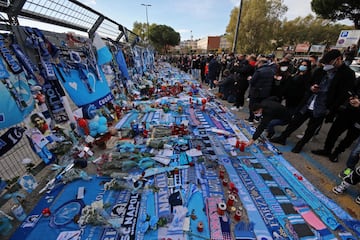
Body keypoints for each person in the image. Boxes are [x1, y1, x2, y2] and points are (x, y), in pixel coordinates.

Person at [270, 49, 355, 153]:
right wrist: (312, 87)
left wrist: (331, 109)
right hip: (309, 101)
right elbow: (310, 82)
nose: (326, 65)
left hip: (323, 106)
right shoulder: (321, 70)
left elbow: (344, 94)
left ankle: (300, 145)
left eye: (329, 63)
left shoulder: (348, 74)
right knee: (295, 121)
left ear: (338, 59)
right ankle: (283, 137)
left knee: (311, 128)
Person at [311, 91, 360, 162]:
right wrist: (351, 97)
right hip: (348, 111)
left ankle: (337, 153)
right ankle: (327, 150)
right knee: (333, 132)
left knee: (349, 138)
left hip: (358, 120)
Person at [246, 58, 276, 124]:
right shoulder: (271, 71)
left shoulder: (259, 71)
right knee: (261, 106)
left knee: (252, 105)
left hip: (256, 92)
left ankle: (251, 118)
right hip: (266, 92)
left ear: (261, 63)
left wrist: (250, 79)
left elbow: (253, 81)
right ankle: (257, 118)